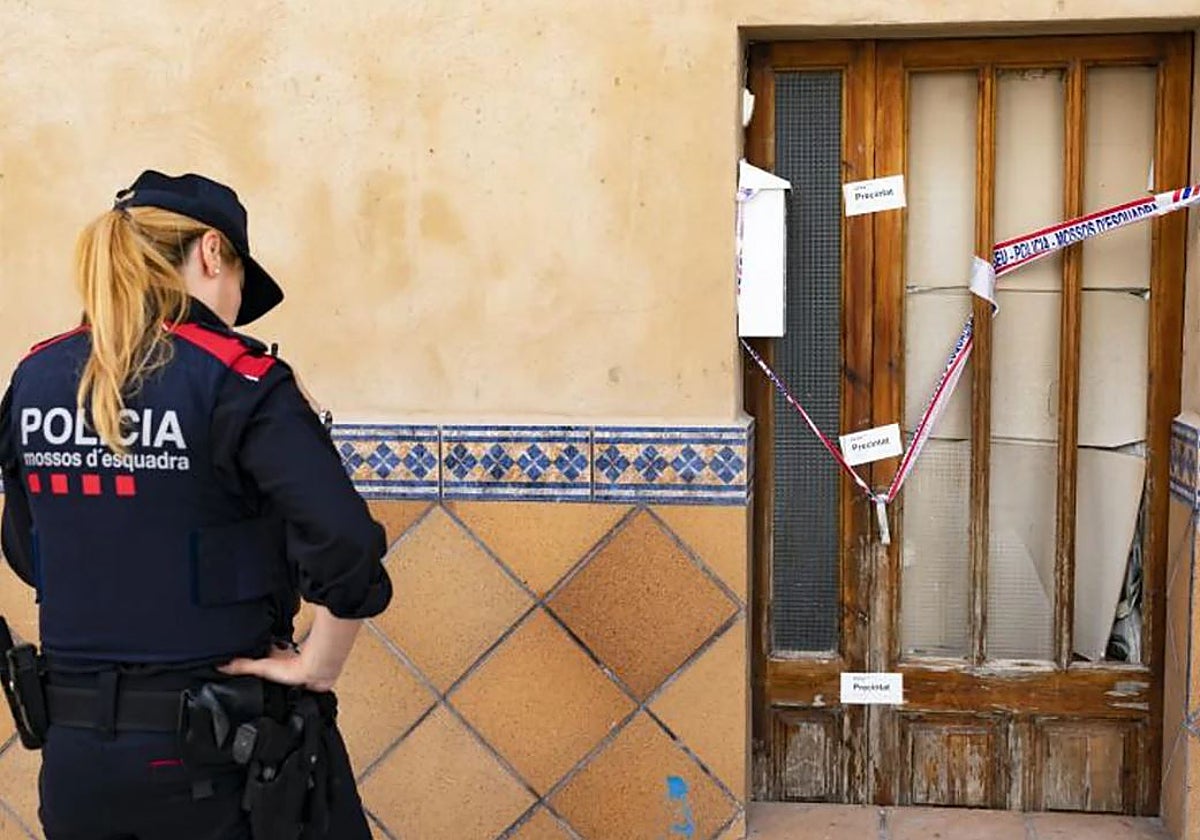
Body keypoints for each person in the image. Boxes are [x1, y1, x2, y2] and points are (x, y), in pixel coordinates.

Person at [0, 170, 392, 840]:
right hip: (220, 762)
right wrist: (319, 663)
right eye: (240, 281)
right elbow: (345, 541)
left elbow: (29, 551)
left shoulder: (35, 377)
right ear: (212, 252)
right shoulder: (239, 380)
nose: (236, 309)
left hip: (76, 769)